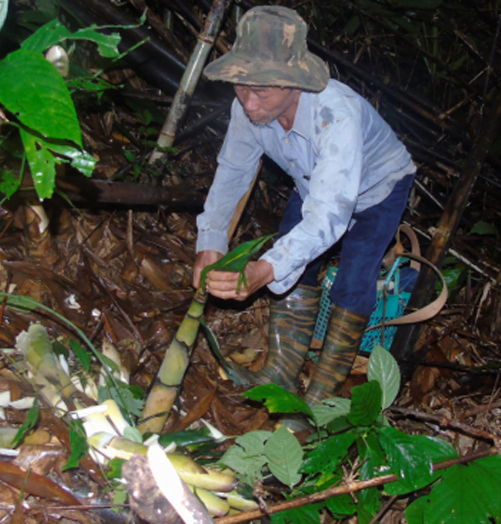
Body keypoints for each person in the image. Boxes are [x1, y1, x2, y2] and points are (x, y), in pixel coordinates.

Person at [193, 5, 416, 413]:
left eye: (262, 90)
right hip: (313, 183)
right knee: (299, 263)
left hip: (378, 187)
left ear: (295, 85)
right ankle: (281, 369)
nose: (249, 101)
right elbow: (232, 173)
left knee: (354, 278)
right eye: (241, 87)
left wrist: (265, 269)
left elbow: (331, 213)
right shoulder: (248, 108)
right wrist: (210, 240)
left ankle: (324, 391)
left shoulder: (336, 115)